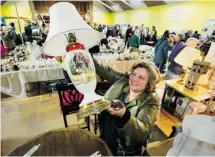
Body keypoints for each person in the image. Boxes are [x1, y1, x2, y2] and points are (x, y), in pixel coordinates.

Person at [92, 52, 161, 155]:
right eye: (133, 74)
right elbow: (104, 71)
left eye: (141, 77)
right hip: (107, 138)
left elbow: (143, 132)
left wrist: (124, 115)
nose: (134, 79)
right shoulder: (125, 80)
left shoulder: (150, 100)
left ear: (148, 83)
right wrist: (87, 55)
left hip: (124, 150)